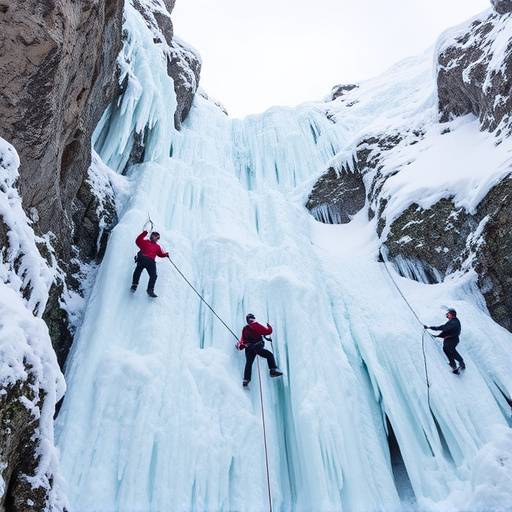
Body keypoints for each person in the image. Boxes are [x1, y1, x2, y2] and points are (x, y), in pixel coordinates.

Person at [239, 314, 282, 387]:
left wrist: (241, 345)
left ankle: (246, 380)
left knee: (249, 363)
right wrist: (269, 326)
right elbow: (268, 331)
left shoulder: (244, 329)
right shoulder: (255, 325)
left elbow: (241, 344)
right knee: (269, 355)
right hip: (257, 346)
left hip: (249, 349)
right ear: (252, 319)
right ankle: (272, 371)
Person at [131, 226, 169, 298]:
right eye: (152, 235)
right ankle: (134, 285)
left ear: (157, 238)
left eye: (155, 236)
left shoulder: (157, 247)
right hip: (142, 258)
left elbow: (159, 254)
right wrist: (144, 233)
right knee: (137, 271)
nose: (152, 236)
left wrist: (165, 255)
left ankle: (150, 290)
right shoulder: (145, 242)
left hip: (150, 262)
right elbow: (137, 241)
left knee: (154, 275)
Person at [424, 308, 466, 374]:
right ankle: (454, 364)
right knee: (447, 349)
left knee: (448, 349)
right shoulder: (453, 321)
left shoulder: (454, 322)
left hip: (452, 339)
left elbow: (446, 329)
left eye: (448, 314)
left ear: (452, 315)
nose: (447, 315)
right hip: (451, 339)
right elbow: (442, 327)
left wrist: (438, 335)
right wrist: (430, 327)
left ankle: (460, 363)